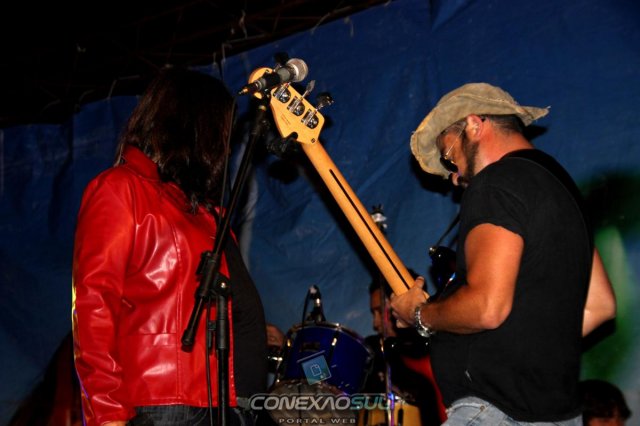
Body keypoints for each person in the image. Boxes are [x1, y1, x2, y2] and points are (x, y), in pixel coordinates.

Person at [390, 83, 617, 425]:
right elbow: (600, 306)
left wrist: (419, 314)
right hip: (558, 416)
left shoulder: (496, 181)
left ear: (474, 125)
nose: (454, 176)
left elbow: (487, 306)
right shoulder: (564, 192)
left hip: (492, 412)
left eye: (449, 155)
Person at [72, 67, 267, 426]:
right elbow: (94, 306)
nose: (226, 147)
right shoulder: (120, 189)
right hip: (167, 405)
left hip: (224, 404)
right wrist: (107, 412)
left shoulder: (204, 212)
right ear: (194, 128)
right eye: (221, 132)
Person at [363, 278, 446, 426]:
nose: (375, 323)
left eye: (380, 311)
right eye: (373, 313)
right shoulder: (373, 350)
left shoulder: (439, 347)